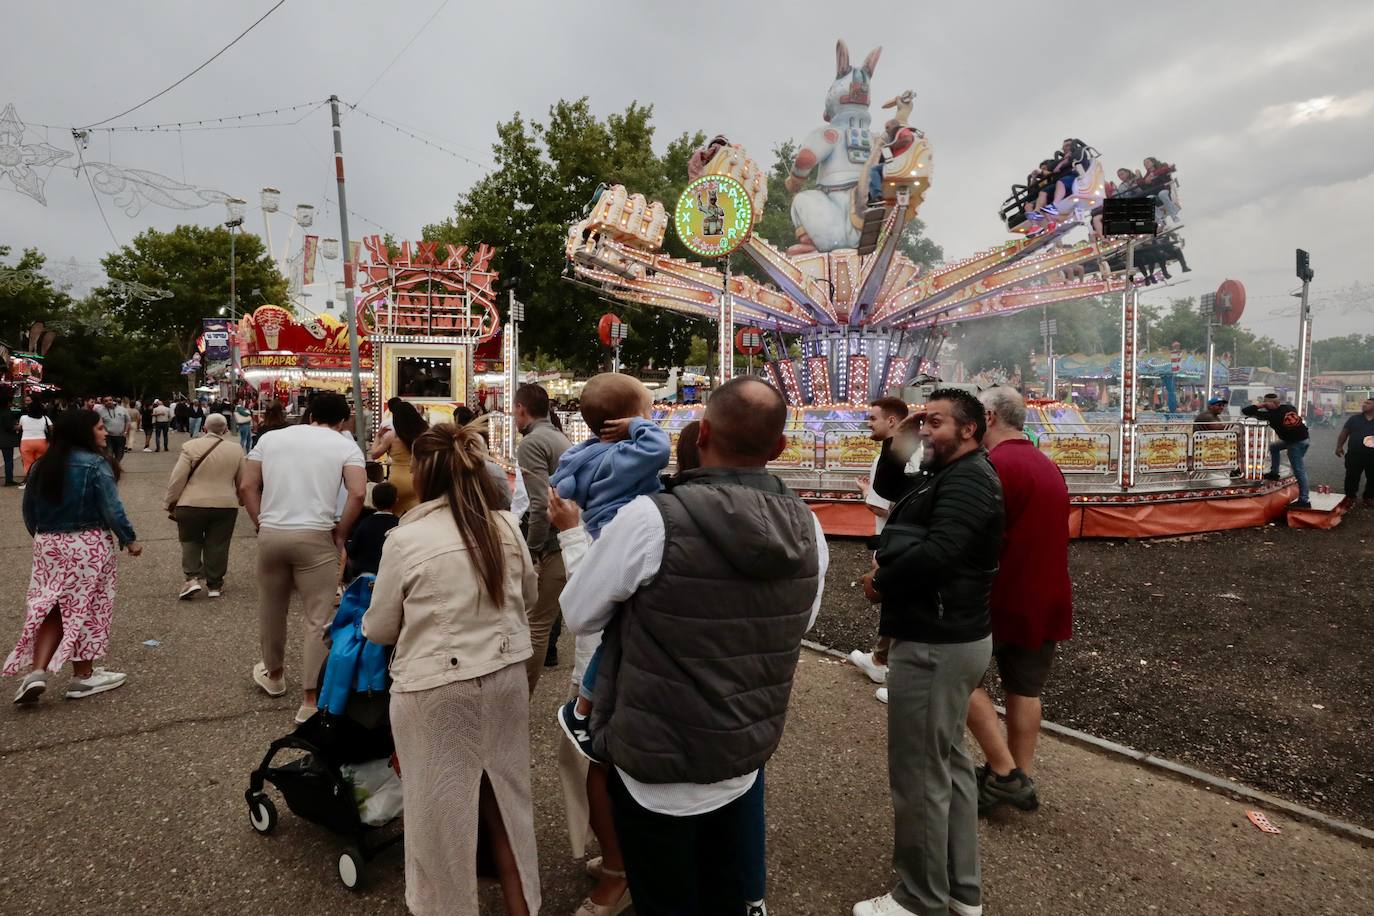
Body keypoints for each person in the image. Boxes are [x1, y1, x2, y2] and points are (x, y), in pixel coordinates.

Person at [561, 377, 828, 915]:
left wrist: (571, 535)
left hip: (654, 763)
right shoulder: (810, 531)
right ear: (779, 448)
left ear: (702, 433)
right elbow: (797, 624)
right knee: (722, 893)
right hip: (741, 754)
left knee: (665, 898)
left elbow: (579, 613)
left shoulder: (650, 520)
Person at [362, 423, 541, 915]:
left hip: (435, 689)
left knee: (439, 816)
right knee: (506, 798)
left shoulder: (406, 538)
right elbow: (529, 595)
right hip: (505, 677)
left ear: (420, 474)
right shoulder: (504, 525)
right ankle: (521, 904)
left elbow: (379, 628)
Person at [855, 388, 1003, 916]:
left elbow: (940, 554)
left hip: (938, 639)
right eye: (927, 422)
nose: (928, 430)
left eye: (938, 423)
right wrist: (905, 433)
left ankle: (920, 898)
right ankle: (961, 890)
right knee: (949, 766)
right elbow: (892, 483)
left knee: (918, 774)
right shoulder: (945, 472)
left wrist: (883, 582)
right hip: (947, 634)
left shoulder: (968, 481)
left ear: (970, 429)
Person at [965, 387, 1071, 816]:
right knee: (1024, 689)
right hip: (1045, 593)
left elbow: (971, 537)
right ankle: (1016, 779)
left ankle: (1003, 770)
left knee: (960, 681)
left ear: (988, 417)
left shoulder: (990, 467)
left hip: (996, 595)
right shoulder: (1049, 466)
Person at [239, 392, 366, 723]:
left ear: (309, 413)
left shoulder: (271, 439)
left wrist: (260, 521)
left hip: (271, 534)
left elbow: (247, 486)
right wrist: (341, 533)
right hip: (317, 536)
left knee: (271, 608)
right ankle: (310, 699)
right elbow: (358, 492)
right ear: (342, 420)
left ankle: (274, 674)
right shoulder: (345, 446)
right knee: (317, 617)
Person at [6, 409, 143, 704]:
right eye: (99, 428)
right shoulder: (95, 464)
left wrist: (46, 539)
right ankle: (83, 677)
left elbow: (29, 510)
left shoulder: (43, 464)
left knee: (52, 607)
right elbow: (111, 508)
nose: (105, 432)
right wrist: (129, 539)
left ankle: (37, 672)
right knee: (89, 607)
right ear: (84, 433)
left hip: (48, 543)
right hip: (87, 543)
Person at [849, 397, 913, 692]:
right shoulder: (917, 451)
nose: (868, 423)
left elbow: (881, 507)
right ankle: (880, 659)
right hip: (906, 541)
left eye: (873, 418)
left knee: (897, 605)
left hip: (893, 542)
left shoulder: (885, 458)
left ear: (891, 421)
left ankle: (885, 667)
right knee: (900, 604)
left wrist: (867, 495)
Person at [513, 383, 571, 692]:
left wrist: (531, 550)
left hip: (550, 545)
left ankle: (519, 702)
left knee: (534, 624)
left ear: (521, 409)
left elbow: (539, 504)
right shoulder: (558, 436)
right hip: (563, 540)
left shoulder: (532, 442)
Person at [165, 412, 245, 601]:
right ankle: (214, 584)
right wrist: (241, 500)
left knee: (190, 541)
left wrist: (169, 501)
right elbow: (242, 481)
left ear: (204, 428)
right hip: (225, 505)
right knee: (218, 544)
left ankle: (192, 579)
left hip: (191, 503)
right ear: (225, 430)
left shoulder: (190, 447)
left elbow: (178, 478)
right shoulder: (236, 450)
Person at [1242, 393, 1311, 508]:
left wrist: (1261, 405)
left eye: (1266, 403)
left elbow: (1246, 411)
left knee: (1299, 471)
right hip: (1303, 439)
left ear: (1268, 404)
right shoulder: (1288, 407)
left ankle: (1304, 500)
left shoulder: (1270, 415)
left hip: (1295, 443)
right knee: (1274, 447)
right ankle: (1274, 473)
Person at [369, 400, 427, 515]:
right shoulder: (424, 434)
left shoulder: (391, 436)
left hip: (397, 481)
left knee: (396, 517)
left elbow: (374, 454)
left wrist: (378, 436)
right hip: (419, 478)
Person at [346, 481, 400, 577]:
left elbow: (351, 551)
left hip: (365, 575)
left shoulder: (364, 523)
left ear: (373, 502)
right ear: (396, 501)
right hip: (390, 574)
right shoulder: (399, 524)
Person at [1336, 396, 1374, 507]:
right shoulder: (1354, 419)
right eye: (1364, 402)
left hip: (1372, 455)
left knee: (1372, 477)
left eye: (1368, 403)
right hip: (1355, 454)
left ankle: (1369, 497)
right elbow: (1344, 433)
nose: (1364, 404)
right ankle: (1350, 496)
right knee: (1352, 476)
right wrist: (1339, 446)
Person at [19, 399, 52, 481]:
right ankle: (40, 480)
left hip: (26, 442)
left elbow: (19, 427)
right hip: (42, 442)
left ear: (29, 409)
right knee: (41, 463)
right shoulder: (45, 418)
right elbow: (51, 428)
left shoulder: (23, 418)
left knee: (28, 463)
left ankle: (30, 481)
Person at [97, 396, 132, 462]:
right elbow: (99, 423)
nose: (108, 402)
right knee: (109, 455)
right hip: (108, 437)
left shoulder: (122, 409)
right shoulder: (100, 411)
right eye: (106, 401)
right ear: (103, 403)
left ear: (113, 400)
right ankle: (111, 468)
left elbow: (128, 421)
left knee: (120, 455)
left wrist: (125, 432)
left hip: (120, 436)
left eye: (110, 400)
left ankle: (116, 466)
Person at [0, 389, 20, 486]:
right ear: (8, 402)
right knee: (8, 460)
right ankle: (9, 480)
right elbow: (10, 427)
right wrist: (17, 426)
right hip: (6, 440)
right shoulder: (7, 413)